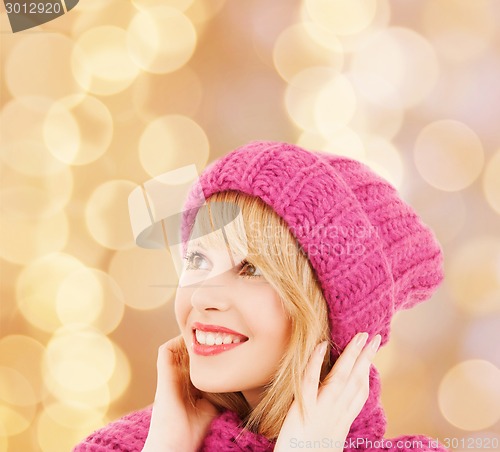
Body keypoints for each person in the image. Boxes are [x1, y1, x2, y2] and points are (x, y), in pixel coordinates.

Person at [73, 141, 448, 452]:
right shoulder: (125, 445)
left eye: (251, 269)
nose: (203, 297)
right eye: (197, 259)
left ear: (330, 314)